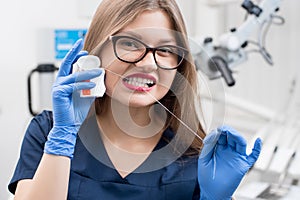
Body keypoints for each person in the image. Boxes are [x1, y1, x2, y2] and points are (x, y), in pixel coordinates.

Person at [8, 0, 262, 199]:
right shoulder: (48, 132)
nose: (148, 63)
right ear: (97, 51)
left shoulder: (194, 156)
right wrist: (62, 140)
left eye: (165, 50)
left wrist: (217, 199)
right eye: (130, 44)